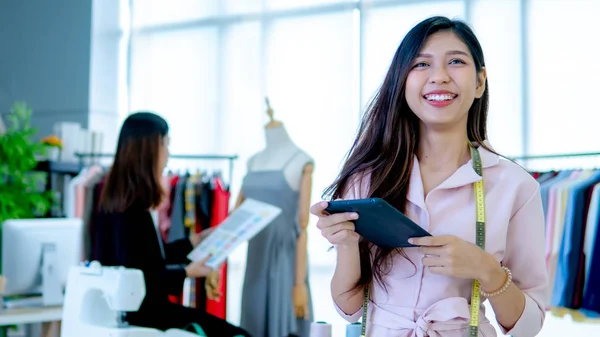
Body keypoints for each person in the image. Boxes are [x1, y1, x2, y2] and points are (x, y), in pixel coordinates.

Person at [310, 16, 548, 337]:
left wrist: (486, 270)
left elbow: (529, 324)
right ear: (402, 81)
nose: (439, 76)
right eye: (421, 64)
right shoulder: (368, 177)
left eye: (456, 61)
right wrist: (347, 245)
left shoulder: (515, 186)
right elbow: (350, 306)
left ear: (479, 83)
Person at [95, 112, 251, 337]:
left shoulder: (122, 202)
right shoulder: (132, 210)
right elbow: (140, 275)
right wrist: (188, 271)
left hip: (143, 310)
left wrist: (195, 240)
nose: (168, 153)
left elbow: (149, 258)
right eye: (165, 144)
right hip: (146, 313)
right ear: (148, 150)